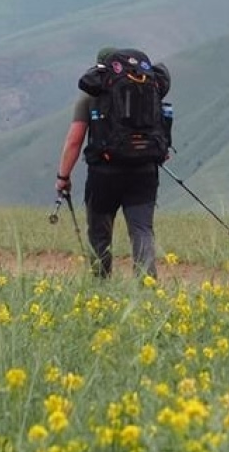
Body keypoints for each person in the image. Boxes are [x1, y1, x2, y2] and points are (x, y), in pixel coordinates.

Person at [57, 46, 173, 279]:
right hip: (144, 171)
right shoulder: (148, 89)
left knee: (100, 232)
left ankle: (101, 286)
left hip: (104, 173)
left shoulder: (90, 96)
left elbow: (74, 141)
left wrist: (63, 177)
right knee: (141, 229)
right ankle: (147, 287)